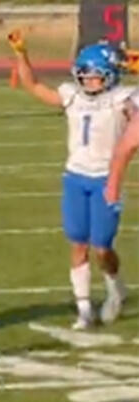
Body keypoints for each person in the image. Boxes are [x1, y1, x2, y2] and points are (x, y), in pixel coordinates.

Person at [12, 35, 135, 328]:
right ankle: (83, 309)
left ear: (110, 75)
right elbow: (33, 86)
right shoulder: (72, 95)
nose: (89, 81)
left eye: (95, 76)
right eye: (85, 75)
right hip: (75, 177)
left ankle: (115, 289)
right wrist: (21, 53)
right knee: (78, 244)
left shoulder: (123, 98)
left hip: (107, 179)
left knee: (102, 246)